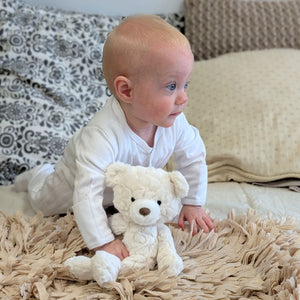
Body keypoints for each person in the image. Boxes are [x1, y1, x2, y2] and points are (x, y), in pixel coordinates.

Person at [14, 14, 215, 261]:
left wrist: (193, 203)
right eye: (172, 86)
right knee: (44, 202)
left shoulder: (174, 122)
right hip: (72, 182)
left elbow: (193, 156)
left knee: (112, 203)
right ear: (127, 90)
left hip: (120, 191)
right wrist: (103, 242)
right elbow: (86, 194)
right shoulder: (101, 136)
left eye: (186, 85)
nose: (183, 97)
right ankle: (37, 174)